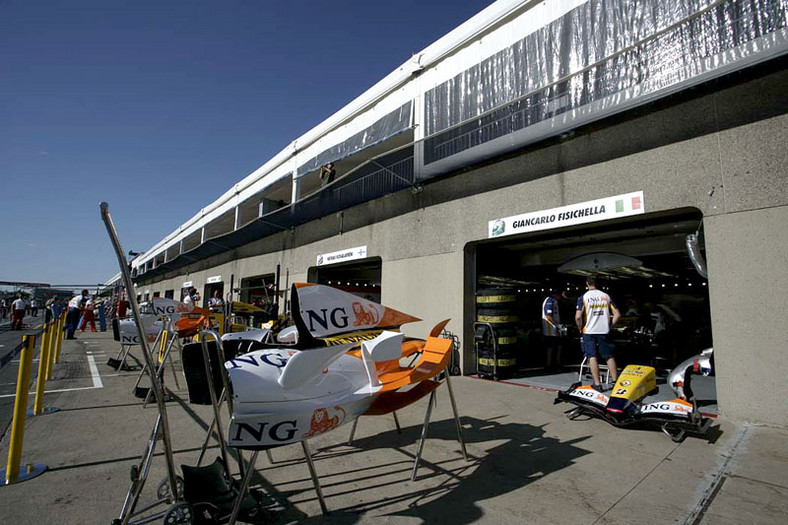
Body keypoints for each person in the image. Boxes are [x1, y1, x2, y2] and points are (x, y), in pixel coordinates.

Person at [576, 275, 621, 392]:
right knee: (609, 356)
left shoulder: (583, 297)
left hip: (589, 331)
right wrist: (610, 325)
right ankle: (615, 382)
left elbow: (578, 316)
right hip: (604, 330)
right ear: (598, 283)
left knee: (592, 356)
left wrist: (580, 328)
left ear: (587, 283)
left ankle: (597, 384)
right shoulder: (606, 296)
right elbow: (617, 314)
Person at [541, 288, 565, 372]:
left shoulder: (554, 301)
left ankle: (556, 364)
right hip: (550, 331)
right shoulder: (550, 301)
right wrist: (557, 325)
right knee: (551, 348)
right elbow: (548, 316)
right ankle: (549, 366)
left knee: (557, 347)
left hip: (554, 330)